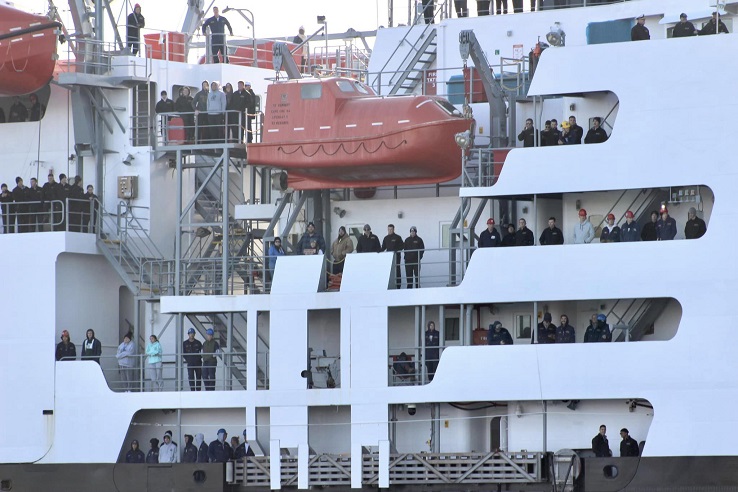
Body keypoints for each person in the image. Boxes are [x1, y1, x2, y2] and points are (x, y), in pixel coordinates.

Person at [382, 224, 404, 288]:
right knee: (389, 271)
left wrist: (396, 250)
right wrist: (378, 252)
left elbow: (402, 246)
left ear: (393, 229)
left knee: (397, 271)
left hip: (396, 257)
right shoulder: (386, 238)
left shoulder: (398, 237)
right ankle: (390, 286)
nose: (390, 231)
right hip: (388, 258)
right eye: (389, 229)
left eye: (391, 229)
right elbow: (383, 247)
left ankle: (398, 286)